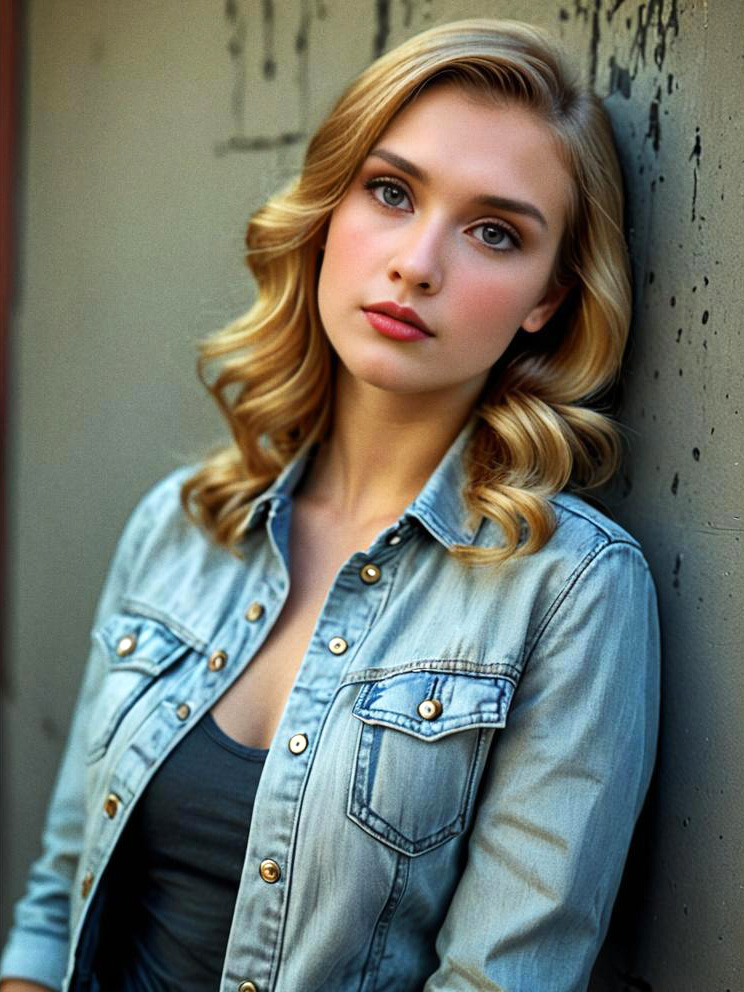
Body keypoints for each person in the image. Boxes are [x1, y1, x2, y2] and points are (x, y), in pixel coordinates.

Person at [1, 17, 660, 992]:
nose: (418, 262)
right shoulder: (182, 523)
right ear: (328, 208)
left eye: (495, 231)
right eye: (391, 192)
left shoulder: (570, 591)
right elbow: (56, 907)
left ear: (547, 296)